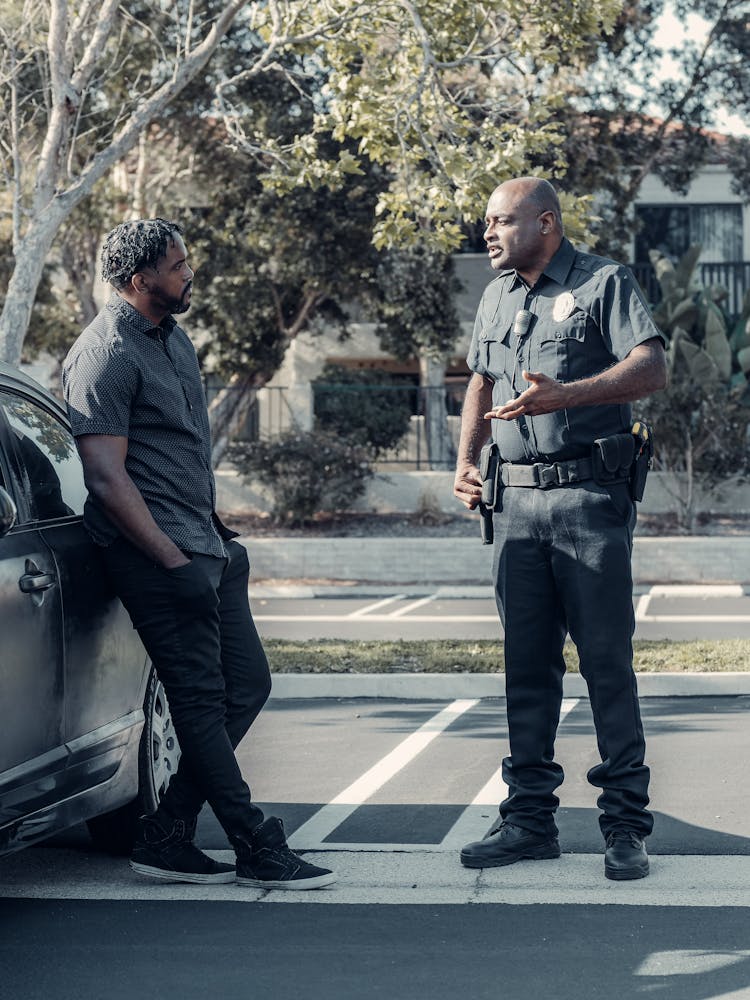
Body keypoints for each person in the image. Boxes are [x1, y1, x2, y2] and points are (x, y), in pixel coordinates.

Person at [62, 218, 335, 890]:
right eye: (179, 266)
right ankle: (256, 844)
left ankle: (166, 832)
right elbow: (106, 476)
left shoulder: (174, 339)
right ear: (139, 279)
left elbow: (176, 452)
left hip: (208, 547)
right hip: (157, 559)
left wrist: (213, 540)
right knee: (200, 701)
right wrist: (173, 563)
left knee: (247, 687)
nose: (190, 275)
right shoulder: (103, 354)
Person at [453, 178, 667, 881]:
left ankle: (625, 828)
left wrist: (567, 394)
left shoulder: (604, 281)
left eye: (503, 221)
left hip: (587, 501)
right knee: (527, 668)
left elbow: (651, 367)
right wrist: (465, 462)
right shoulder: (495, 294)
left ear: (546, 222)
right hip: (514, 506)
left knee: (606, 666)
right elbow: (481, 383)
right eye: (486, 221)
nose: (488, 233)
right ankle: (528, 821)